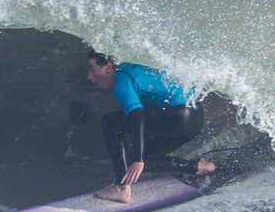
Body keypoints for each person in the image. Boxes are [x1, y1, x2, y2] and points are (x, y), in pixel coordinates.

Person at [86, 50, 215, 203]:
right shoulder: (134, 68)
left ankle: (121, 189)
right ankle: (199, 167)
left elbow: (137, 117)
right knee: (132, 164)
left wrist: (138, 159)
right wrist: (137, 159)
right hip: (194, 117)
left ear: (108, 68)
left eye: (92, 69)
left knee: (110, 122)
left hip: (178, 117)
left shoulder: (122, 79)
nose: (89, 76)